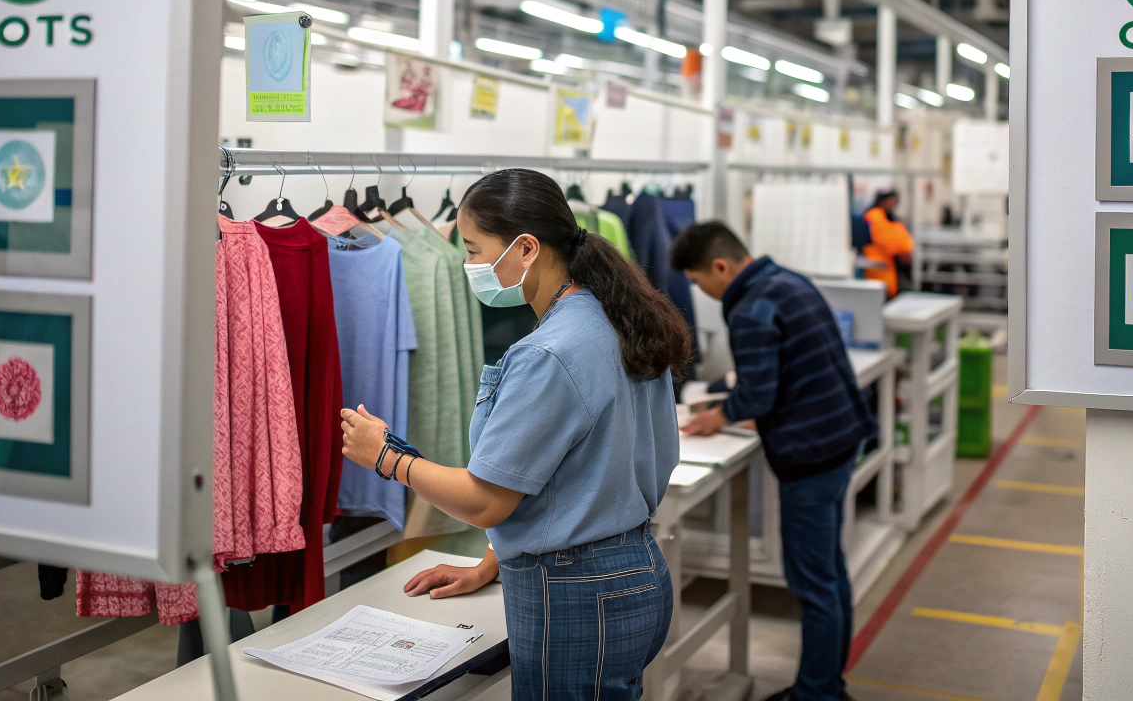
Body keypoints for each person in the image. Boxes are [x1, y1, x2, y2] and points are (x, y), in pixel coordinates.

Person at [339, 168, 692, 701]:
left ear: (526, 248)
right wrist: (492, 562)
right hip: (632, 574)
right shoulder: (619, 318)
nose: (469, 265)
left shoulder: (549, 353)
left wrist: (386, 457)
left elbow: (486, 501)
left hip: (577, 594)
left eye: (474, 250)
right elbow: (576, 476)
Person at [669, 221, 876, 701]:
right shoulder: (788, 280)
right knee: (830, 574)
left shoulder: (751, 309)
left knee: (814, 582)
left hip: (811, 454)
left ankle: (817, 694)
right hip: (840, 438)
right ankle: (827, 685)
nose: (702, 292)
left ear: (721, 267)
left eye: (699, 282)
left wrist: (716, 416)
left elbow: (759, 395)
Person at [862, 190, 914, 298]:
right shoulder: (874, 216)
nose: (892, 205)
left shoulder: (889, 218)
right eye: (891, 201)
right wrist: (903, 248)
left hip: (889, 267)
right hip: (877, 268)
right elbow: (887, 241)